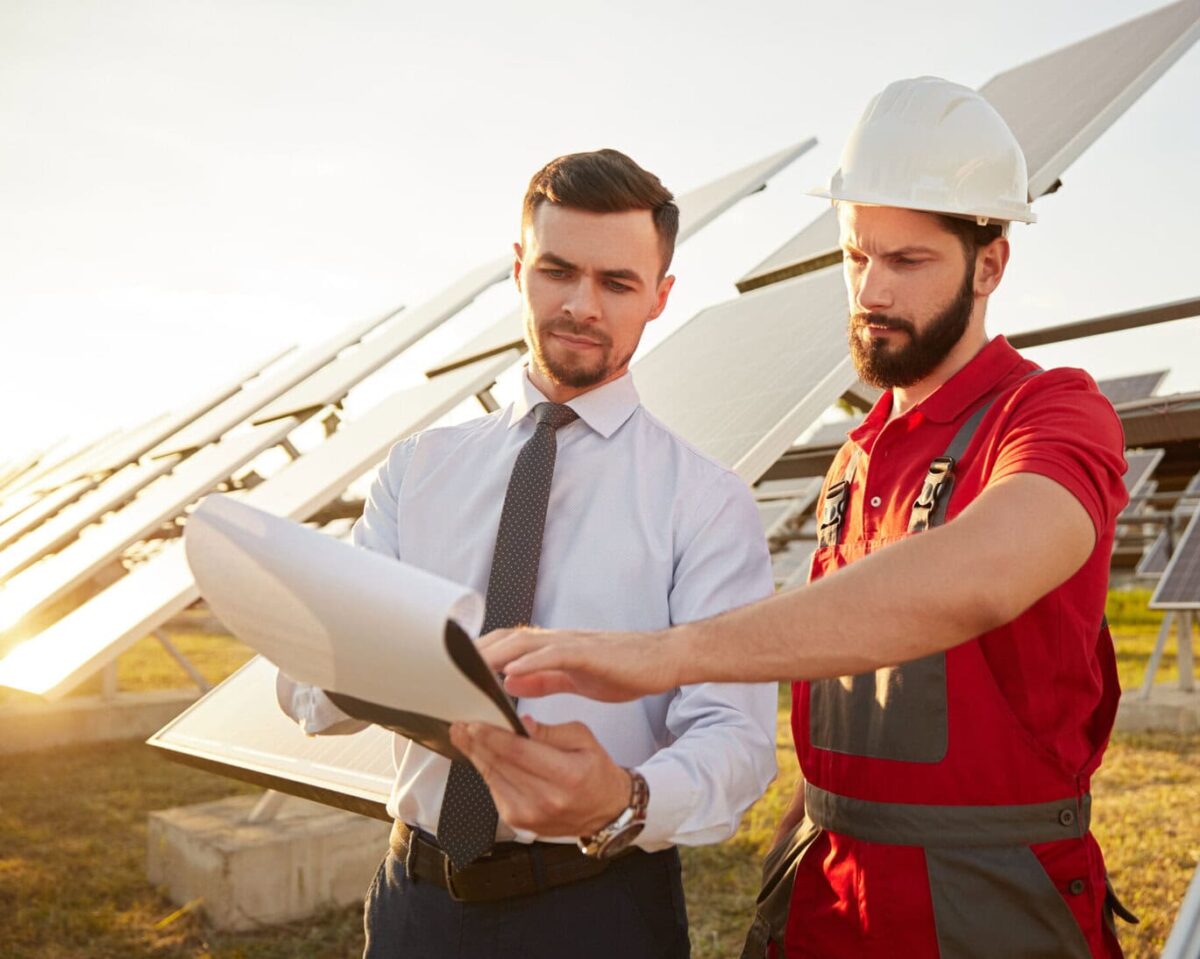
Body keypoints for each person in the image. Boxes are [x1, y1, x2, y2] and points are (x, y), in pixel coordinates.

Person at [465, 79, 1135, 958]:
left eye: (909, 261)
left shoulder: (1051, 414)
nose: (871, 289)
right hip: (829, 888)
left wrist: (662, 653)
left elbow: (983, 575)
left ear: (990, 265)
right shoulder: (856, 457)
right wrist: (793, 845)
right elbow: (844, 678)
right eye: (858, 256)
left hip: (989, 899)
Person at [276, 148, 778, 959]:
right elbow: (308, 685)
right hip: (417, 907)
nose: (582, 304)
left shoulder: (705, 501)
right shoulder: (417, 470)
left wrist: (626, 797)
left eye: (617, 282)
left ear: (660, 296)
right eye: (557, 271)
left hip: (601, 909)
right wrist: (363, 668)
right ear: (519, 269)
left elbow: (737, 737)